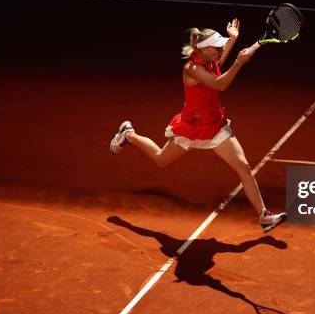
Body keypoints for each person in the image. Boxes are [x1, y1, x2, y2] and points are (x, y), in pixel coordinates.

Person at [109, 18, 286, 232]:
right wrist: (239, 63)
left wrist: (233, 39)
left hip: (215, 125)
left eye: (222, 46)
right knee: (160, 160)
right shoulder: (192, 68)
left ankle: (263, 216)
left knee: (244, 167)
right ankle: (128, 134)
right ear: (204, 50)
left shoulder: (210, 59)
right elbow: (220, 84)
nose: (221, 49)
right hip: (192, 127)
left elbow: (221, 62)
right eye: (218, 46)